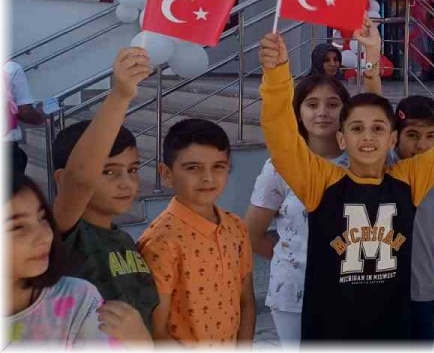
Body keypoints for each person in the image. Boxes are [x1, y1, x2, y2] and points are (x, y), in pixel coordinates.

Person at [254, 32, 434, 340]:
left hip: (393, 331)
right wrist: (277, 73)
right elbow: (281, 136)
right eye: (357, 128)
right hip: (330, 333)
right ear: (342, 139)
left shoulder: (408, 179)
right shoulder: (319, 181)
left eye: (378, 128)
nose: (368, 137)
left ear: (391, 140)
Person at [245, 17, 384, 346]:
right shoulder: (279, 167)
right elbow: (251, 232)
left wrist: (372, 57)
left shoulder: (361, 160)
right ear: (298, 112)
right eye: (312, 104)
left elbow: (375, 113)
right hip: (297, 295)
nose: (322, 112)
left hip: (357, 291)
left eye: (333, 104)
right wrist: (295, 258)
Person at [50, 48, 158, 330]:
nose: (127, 182)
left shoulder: (123, 240)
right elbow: (80, 179)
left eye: (132, 170)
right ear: (61, 180)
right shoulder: (64, 235)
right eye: (108, 171)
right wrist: (121, 96)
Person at [137, 119, 255, 343]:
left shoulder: (236, 227)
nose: (208, 178)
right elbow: (156, 331)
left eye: (218, 167)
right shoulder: (161, 242)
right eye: (193, 168)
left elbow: (246, 302)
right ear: (166, 174)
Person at [6, 174, 150, 346]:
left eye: (42, 218)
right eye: (18, 227)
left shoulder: (77, 299)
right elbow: (80, 179)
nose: (44, 236)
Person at [395, 95, 434, 341]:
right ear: (395, 136)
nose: (422, 145)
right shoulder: (384, 166)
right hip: (384, 290)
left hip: (425, 288)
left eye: (431, 136)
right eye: (412, 135)